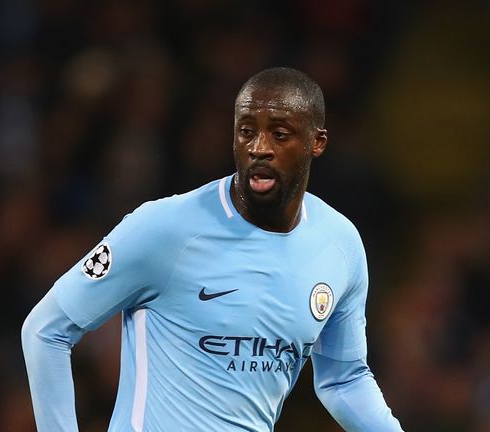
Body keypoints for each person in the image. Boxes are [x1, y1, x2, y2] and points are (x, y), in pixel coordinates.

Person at [22, 67, 403, 431]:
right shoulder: (164, 227)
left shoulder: (339, 244)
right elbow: (46, 330)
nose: (259, 148)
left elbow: (344, 380)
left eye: (279, 134)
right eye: (246, 132)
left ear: (316, 142)